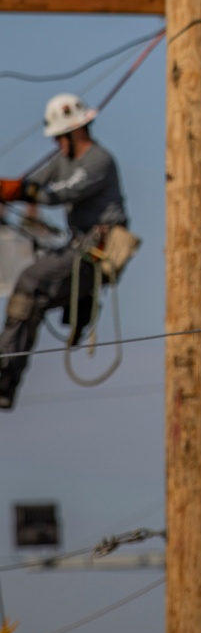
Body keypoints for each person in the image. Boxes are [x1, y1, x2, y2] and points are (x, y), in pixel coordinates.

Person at [0, 93, 130, 409]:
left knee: (30, 282)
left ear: (76, 131)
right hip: (77, 247)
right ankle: (6, 381)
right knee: (30, 302)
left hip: (97, 250)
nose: (57, 144)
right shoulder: (61, 161)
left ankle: (4, 371)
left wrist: (17, 190)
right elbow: (32, 185)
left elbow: (61, 192)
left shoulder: (99, 160)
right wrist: (12, 192)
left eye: (60, 137)